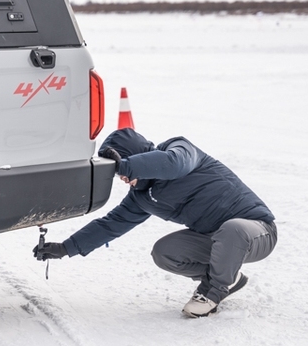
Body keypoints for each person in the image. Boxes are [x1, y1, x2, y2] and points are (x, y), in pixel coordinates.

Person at [33, 128, 277, 318]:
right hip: (216, 241)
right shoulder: (142, 197)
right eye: (120, 175)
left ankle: (213, 292)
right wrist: (66, 248)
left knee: (233, 229)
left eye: (124, 171)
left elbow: (172, 163)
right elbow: (111, 224)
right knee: (164, 252)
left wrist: (125, 164)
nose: (124, 178)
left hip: (255, 232)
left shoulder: (181, 150)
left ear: (141, 157)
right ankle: (227, 277)